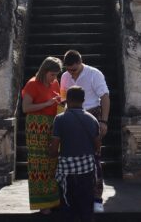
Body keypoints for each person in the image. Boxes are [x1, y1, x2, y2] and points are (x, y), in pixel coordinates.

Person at [61, 50, 110, 214]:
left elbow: (105, 96)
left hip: (92, 114)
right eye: (68, 69)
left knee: (95, 157)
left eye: (74, 69)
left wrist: (103, 120)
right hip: (71, 114)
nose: (71, 73)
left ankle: (97, 198)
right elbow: (63, 98)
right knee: (71, 155)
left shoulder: (94, 74)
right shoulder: (65, 76)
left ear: (81, 62)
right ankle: (71, 197)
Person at [49, 86, 101, 222]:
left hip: (67, 170)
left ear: (68, 100)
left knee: (68, 205)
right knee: (86, 205)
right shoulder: (92, 119)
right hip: (87, 168)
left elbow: (54, 147)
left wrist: (52, 155)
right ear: (83, 100)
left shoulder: (59, 119)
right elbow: (97, 146)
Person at [22, 56, 63, 213]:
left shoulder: (55, 83)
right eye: (52, 74)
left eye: (56, 75)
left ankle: (52, 200)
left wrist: (59, 103)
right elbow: (26, 108)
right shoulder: (33, 84)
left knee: (52, 162)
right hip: (36, 127)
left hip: (52, 124)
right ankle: (43, 204)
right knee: (39, 165)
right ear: (45, 71)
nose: (55, 78)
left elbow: (55, 101)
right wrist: (46, 104)